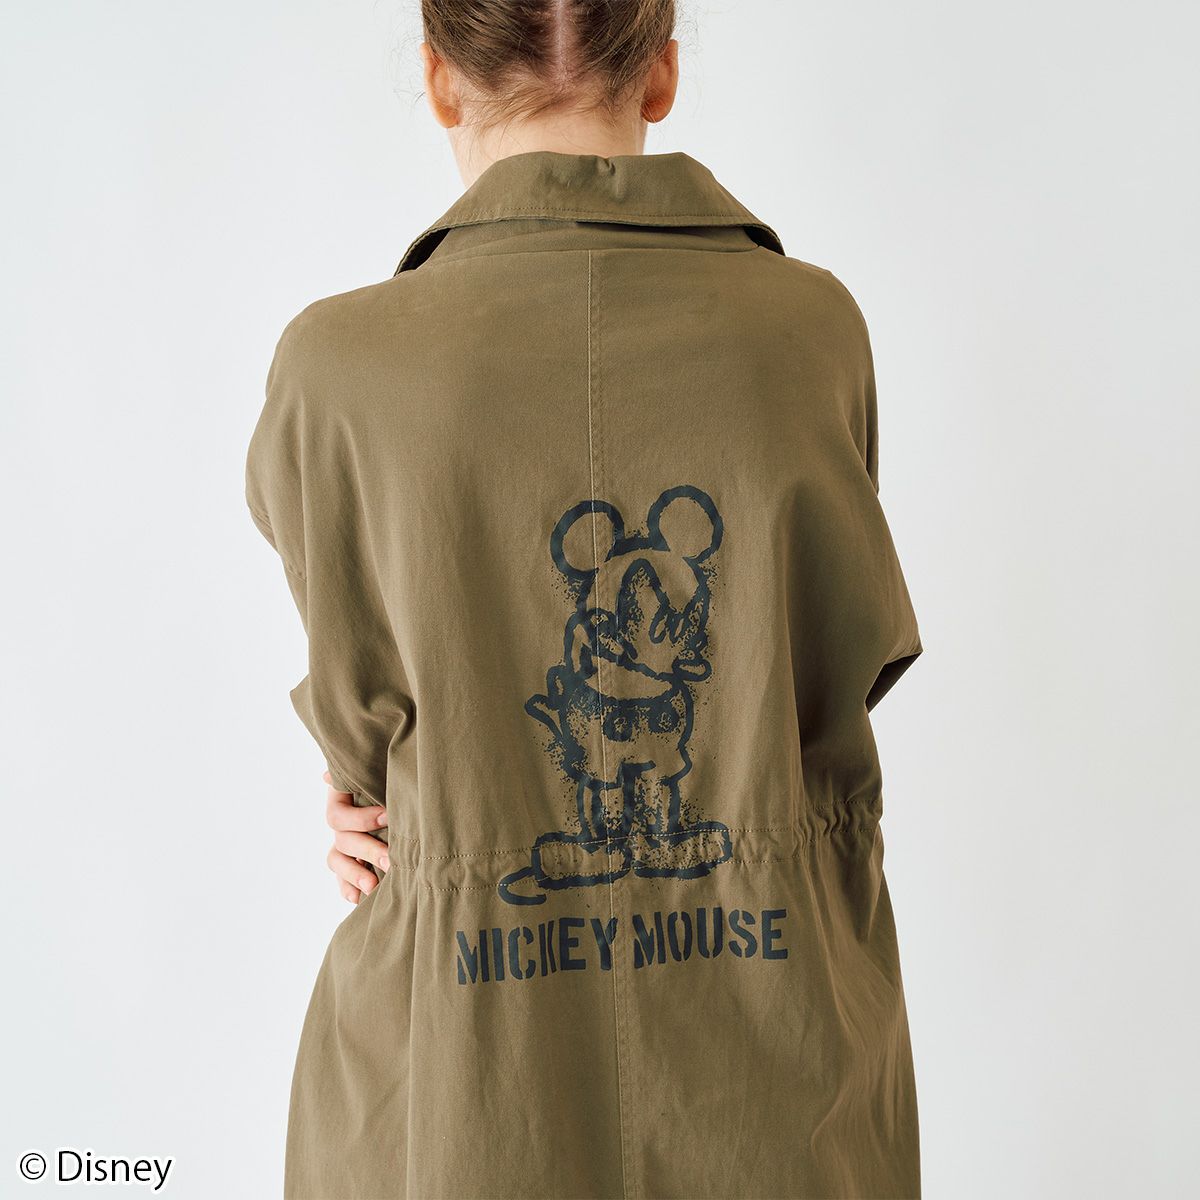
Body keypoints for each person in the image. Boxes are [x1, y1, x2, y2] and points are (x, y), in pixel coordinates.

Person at [244, 1, 925, 1197]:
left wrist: (393, 796)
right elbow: (828, 676)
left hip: (464, 1076)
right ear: (660, 72)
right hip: (775, 1060)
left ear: (441, 80)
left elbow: (365, 733)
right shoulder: (810, 331)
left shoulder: (338, 369)